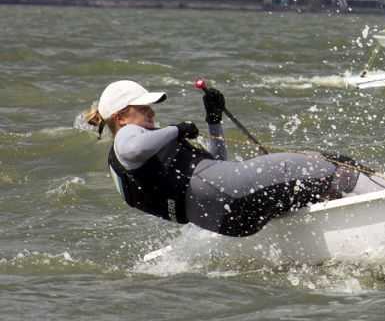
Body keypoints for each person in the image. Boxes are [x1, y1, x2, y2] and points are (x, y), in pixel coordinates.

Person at [84, 80, 360, 237]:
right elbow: (133, 148)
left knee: (306, 189)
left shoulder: (136, 158)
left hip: (229, 222)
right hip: (229, 192)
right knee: (332, 164)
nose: (152, 113)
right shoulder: (127, 138)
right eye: (144, 108)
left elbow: (218, 163)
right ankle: (371, 198)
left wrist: (213, 120)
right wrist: (177, 129)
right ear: (121, 118)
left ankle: (339, 220)